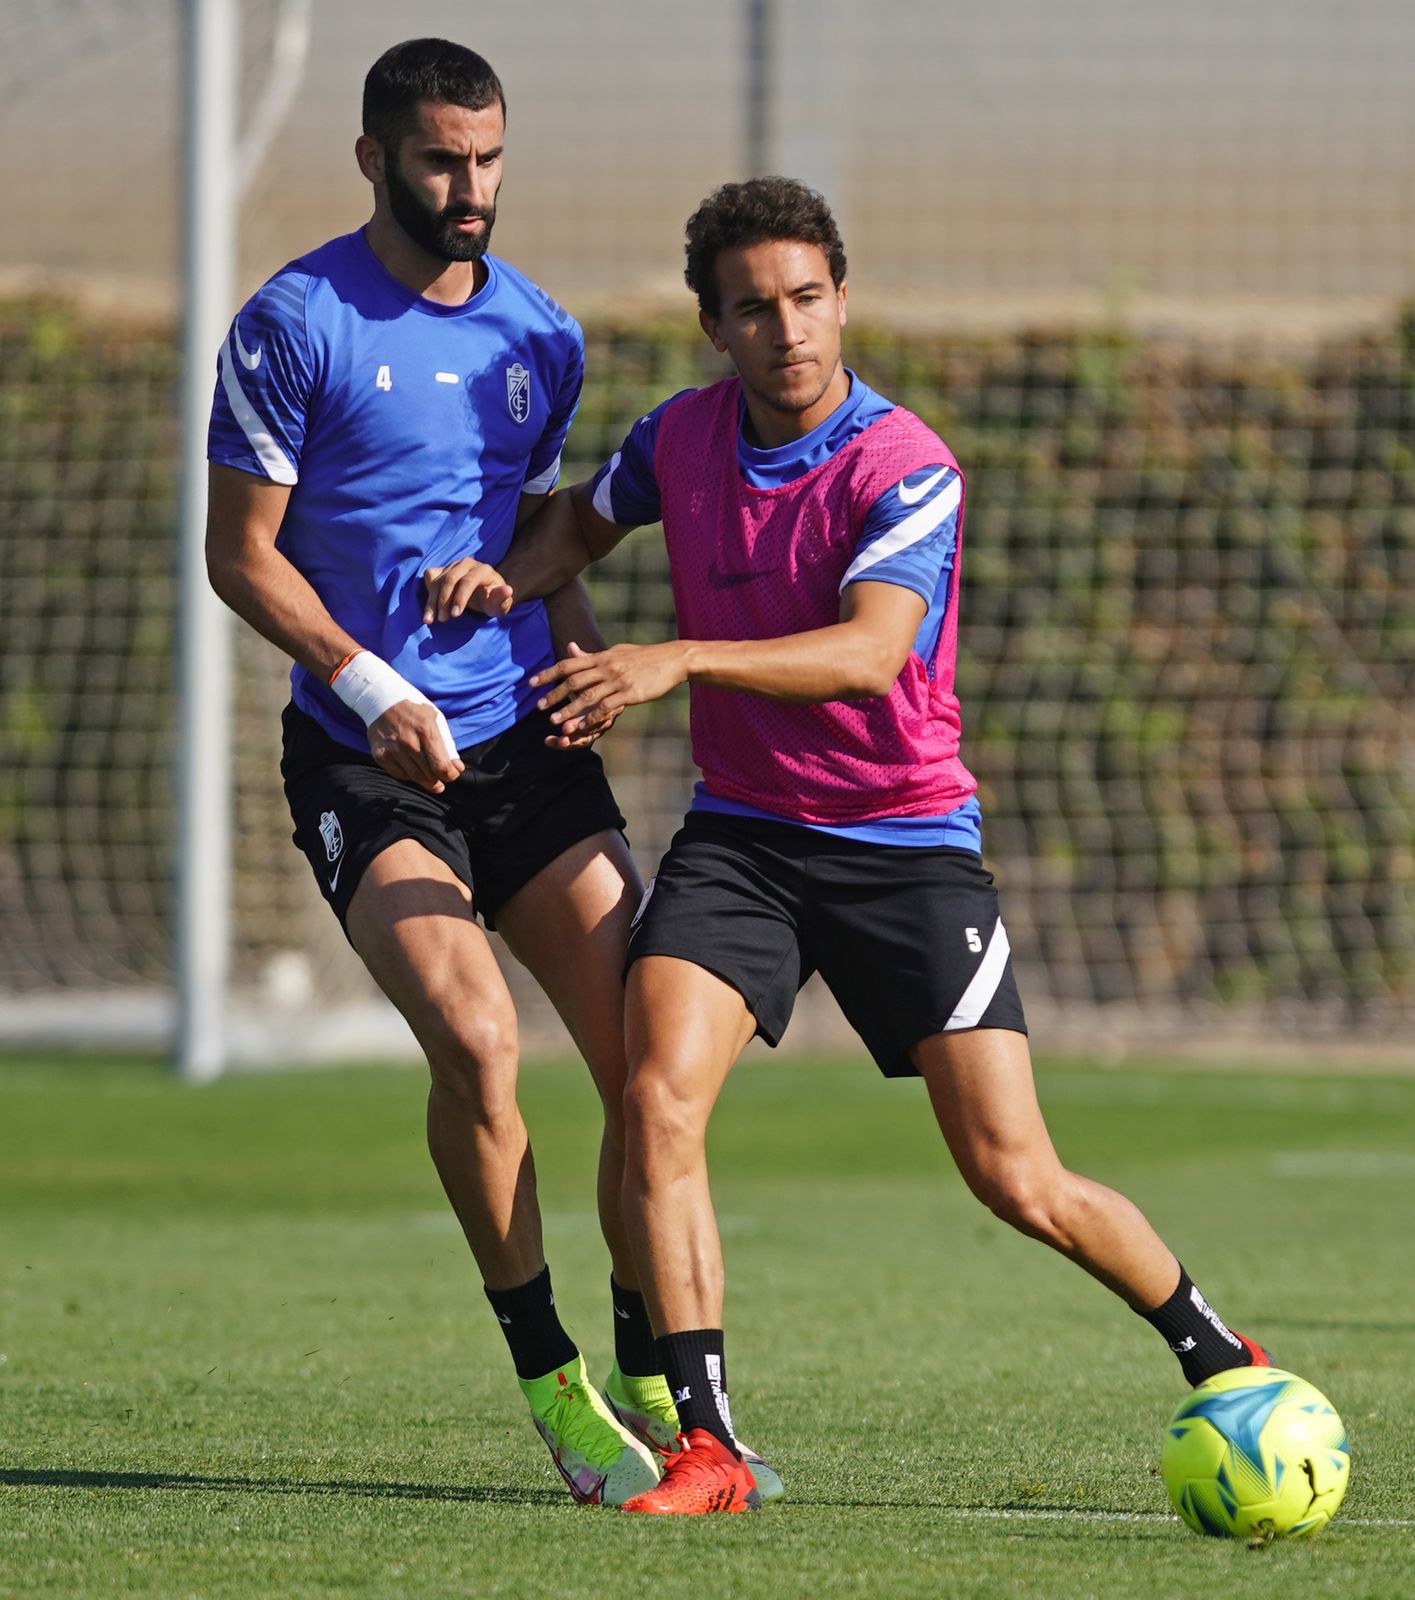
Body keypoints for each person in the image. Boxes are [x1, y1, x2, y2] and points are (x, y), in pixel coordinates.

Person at [425, 176, 1269, 1516]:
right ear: (714, 326)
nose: (787, 329)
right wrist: (506, 582)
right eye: (753, 308)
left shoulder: (904, 464)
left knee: (1014, 1174)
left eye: (808, 298)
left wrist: (673, 658)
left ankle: (1221, 1354)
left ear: (841, 298)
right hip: (746, 844)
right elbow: (581, 523)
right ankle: (704, 1446)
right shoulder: (679, 440)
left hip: (906, 846)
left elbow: (874, 651)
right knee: (653, 1097)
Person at [204, 37, 780, 1509]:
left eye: (492, 160)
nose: (473, 190)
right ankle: (560, 1387)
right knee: (475, 1040)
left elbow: (545, 546)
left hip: (521, 747)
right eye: (445, 162)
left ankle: (657, 1357)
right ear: (377, 158)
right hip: (366, 756)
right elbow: (239, 556)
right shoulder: (295, 322)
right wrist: (369, 681)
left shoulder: (541, 337)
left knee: (648, 1067)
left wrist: (579, 662)